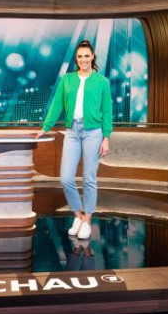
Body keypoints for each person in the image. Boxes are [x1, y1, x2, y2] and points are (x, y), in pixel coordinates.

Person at [35, 40, 113, 240]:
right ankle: (77, 216)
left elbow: (107, 111)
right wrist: (45, 128)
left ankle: (87, 220)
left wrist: (106, 137)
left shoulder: (102, 82)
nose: (83, 60)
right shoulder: (67, 79)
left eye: (86, 56)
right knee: (66, 178)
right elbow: (56, 105)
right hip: (72, 131)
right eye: (80, 56)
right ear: (76, 59)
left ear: (92, 57)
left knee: (89, 178)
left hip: (93, 132)